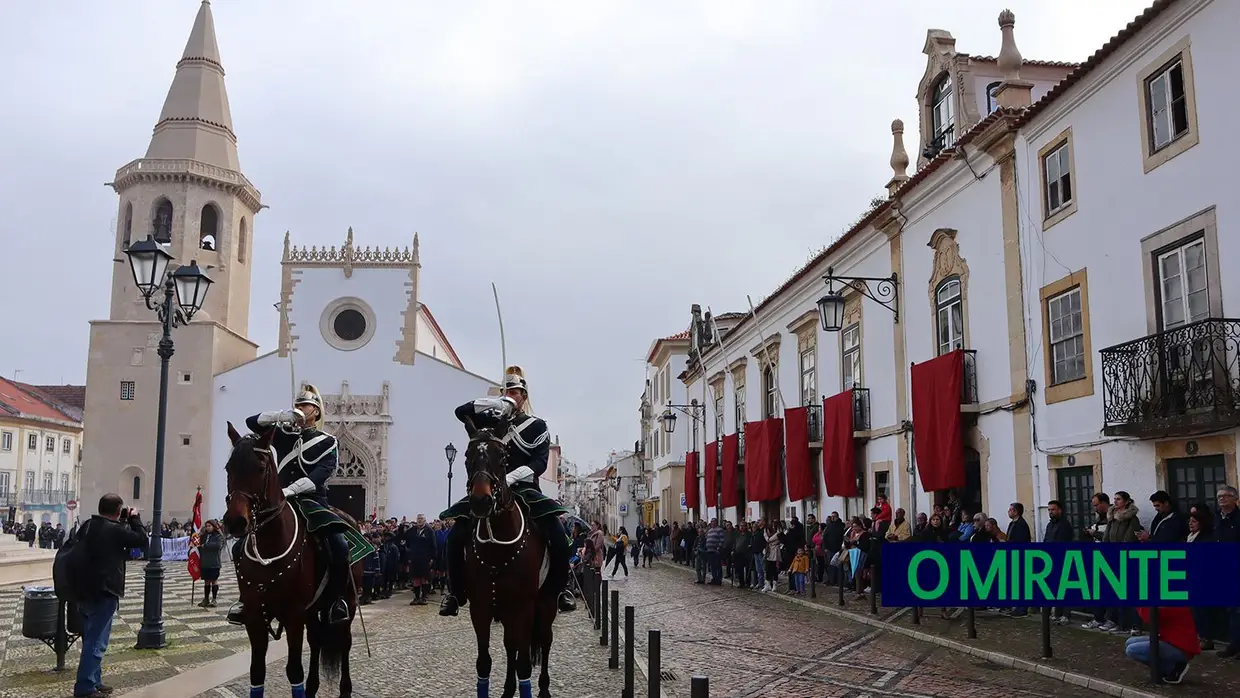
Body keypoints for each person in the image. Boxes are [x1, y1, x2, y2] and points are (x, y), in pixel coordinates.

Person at [439, 366, 577, 616]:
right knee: (456, 533)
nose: (512, 395)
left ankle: (561, 589)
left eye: (516, 392)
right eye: (508, 391)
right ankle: (455, 593)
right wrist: (496, 403)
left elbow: (539, 463)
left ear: (524, 396)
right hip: (489, 487)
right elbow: (461, 412)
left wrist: (511, 477)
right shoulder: (490, 421)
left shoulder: (537, 426)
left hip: (524, 487)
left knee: (558, 532)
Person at [226, 384, 352, 626]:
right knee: (239, 546)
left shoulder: (328, 442)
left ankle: (337, 601)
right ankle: (245, 600)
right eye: (298, 406)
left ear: (316, 412)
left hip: (312, 500)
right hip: (278, 503)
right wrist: (282, 416)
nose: (300, 409)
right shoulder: (284, 435)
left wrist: (291, 489)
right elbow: (252, 422)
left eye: (305, 406)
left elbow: (320, 475)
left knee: (338, 544)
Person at [73, 495, 149, 698]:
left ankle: (94, 680)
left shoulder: (88, 525)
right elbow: (142, 540)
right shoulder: (115, 530)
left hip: (84, 589)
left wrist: (123, 522)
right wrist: (134, 519)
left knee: (91, 637)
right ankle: (85, 687)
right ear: (118, 510)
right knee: (97, 642)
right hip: (105, 589)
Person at [197, 520, 224, 608]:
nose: (208, 527)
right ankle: (206, 599)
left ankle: (214, 599)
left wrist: (206, 545)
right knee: (206, 581)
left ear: (213, 526)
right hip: (205, 562)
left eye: (209, 526)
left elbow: (217, 546)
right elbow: (198, 545)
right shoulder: (204, 536)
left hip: (214, 562)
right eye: (206, 526)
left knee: (214, 580)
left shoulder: (218, 536)